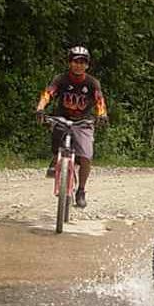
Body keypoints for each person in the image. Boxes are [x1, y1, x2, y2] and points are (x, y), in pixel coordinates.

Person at [35, 45, 108, 208]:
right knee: (56, 138)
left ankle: (81, 190)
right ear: (70, 63)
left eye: (82, 62)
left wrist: (102, 114)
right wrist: (40, 108)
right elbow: (48, 93)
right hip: (62, 118)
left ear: (87, 65)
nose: (79, 65)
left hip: (83, 122)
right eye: (75, 61)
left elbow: (99, 101)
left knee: (86, 156)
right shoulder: (60, 79)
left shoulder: (92, 83)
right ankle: (55, 161)